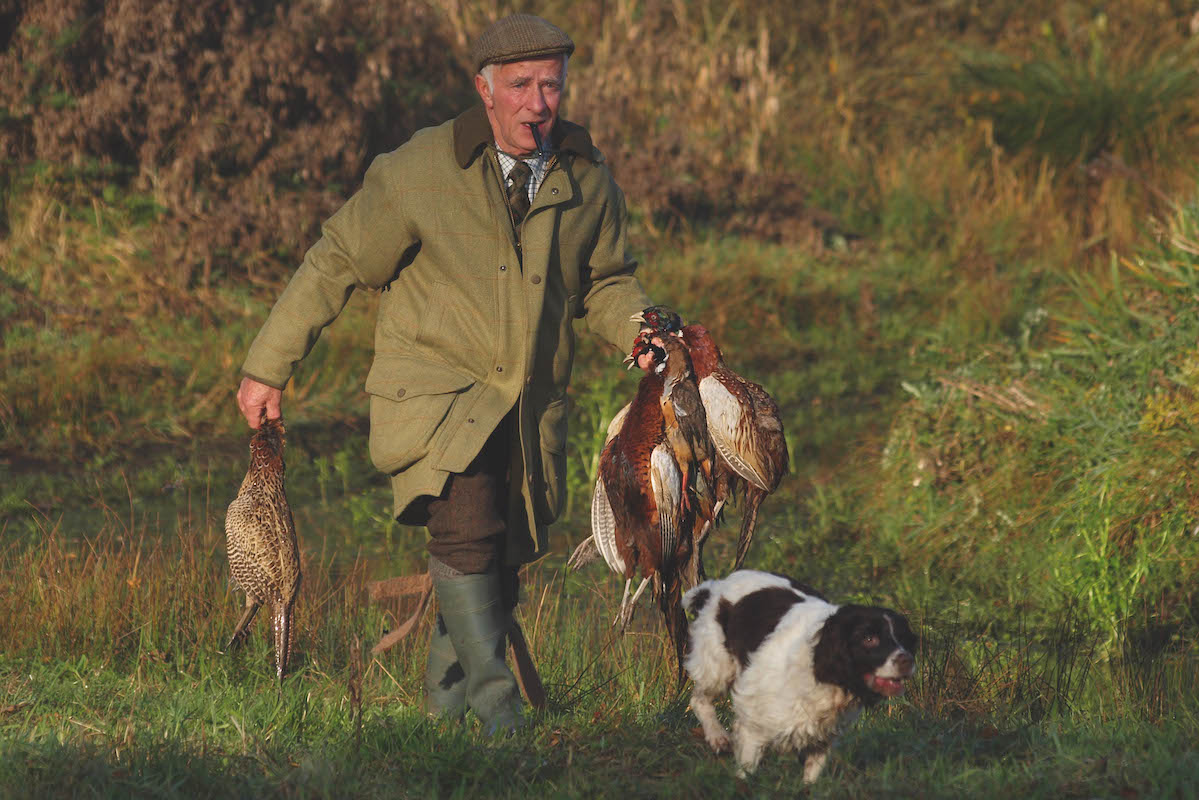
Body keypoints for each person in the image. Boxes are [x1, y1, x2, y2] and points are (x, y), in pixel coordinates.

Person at [235, 14, 658, 733]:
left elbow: (606, 282)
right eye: (520, 85)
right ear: (484, 89)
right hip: (435, 402)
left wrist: (642, 332)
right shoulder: (418, 171)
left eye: (549, 85)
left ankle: (440, 724)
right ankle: (501, 718)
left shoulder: (585, 177)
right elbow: (337, 259)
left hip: (527, 407)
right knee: (464, 537)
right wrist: (267, 368)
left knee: (500, 557)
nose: (536, 102)